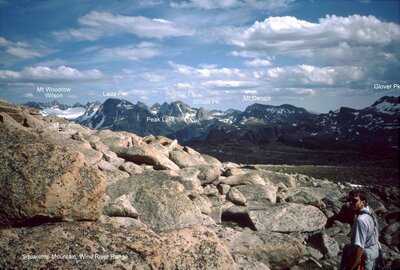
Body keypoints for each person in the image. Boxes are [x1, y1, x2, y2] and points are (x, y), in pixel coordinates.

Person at [340, 190, 380, 270]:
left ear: (363, 202)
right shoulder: (371, 215)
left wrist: (351, 267)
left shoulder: (360, 220)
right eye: (349, 200)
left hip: (362, 262)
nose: (351, 202)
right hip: (371, 257)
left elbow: (359, 248)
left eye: (355, 200)